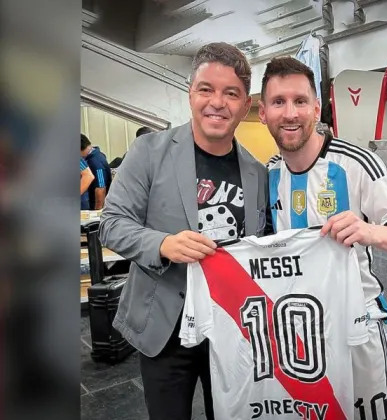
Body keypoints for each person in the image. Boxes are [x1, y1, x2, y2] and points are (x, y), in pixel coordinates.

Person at [99, 42, 272, 420]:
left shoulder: (258, 173)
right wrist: (162, 243)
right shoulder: (149, 151)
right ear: (190, 93)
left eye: (232, 93)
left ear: (246, 106)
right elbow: (111, 224)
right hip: (164, 327)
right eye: (206, 89)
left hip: (230, 329)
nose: (217, 102)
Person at [260, 57, 387, 420]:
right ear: (263, 112)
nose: (290, 113)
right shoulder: (269, 171)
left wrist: (368, 230)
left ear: (316, 108)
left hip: (357, 325)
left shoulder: (357, 163)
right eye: (278, 102)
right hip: (300, 330)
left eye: (301, 101)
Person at [80, 134, 112, 210]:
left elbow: (101, 187)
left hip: (95, 204)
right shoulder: (94, 156)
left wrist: (97, 210)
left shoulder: (96, 162)